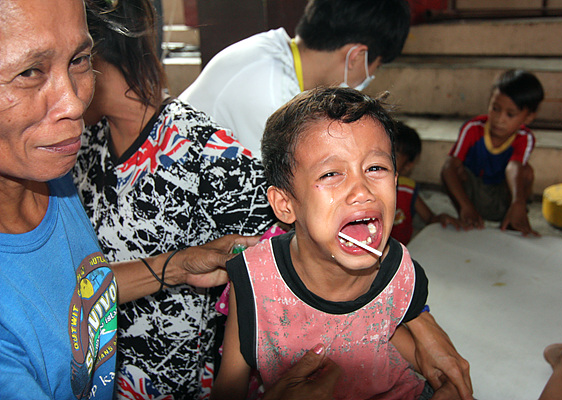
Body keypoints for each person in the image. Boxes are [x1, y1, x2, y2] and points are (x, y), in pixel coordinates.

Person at [0, 0, 253, 398]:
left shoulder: (50, 171)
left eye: (80, 60)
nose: (73, 103)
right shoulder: (70, 156)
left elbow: (77, 293)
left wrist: (178, 265)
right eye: (30, 72)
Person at [72, 1, 276, 398]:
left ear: (92, 58)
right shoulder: (84, 148)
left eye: (68, 64)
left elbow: (274, 244)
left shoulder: (198, 146)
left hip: (173, 384)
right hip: (97, 376)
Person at [211, 87, 466, 400]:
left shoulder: (397, 266)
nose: (362, 190)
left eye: (376, 168)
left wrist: (444, 385)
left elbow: (396, 341)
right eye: (331, 173)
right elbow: (228, 389)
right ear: (285, 204)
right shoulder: (254, 282)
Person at [179, 0, 411, 156]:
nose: (371, 76)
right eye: (376, 66)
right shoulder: (269, 92)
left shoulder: (271, 49)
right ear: (357, 56)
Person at [441, 69, 544, 236]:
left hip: (501, 195)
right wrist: (465, 206)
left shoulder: (525, 138)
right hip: (472, 194)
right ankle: (467, 215)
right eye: (495, 108)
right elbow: (449, 168)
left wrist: (518, 202)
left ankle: (513, 219)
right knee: (452, 169)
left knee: (526, 172)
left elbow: (514, 167)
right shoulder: (473, 128)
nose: (499, 118)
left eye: (510, 114)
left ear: (528, 117)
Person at [392, 122, 461, 244]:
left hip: (399, 255)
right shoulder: (367, 188)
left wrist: (442, 218)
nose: (386, 157)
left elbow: (429, 218)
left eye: (395, 154)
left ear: (408, 166)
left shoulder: (407, 189)